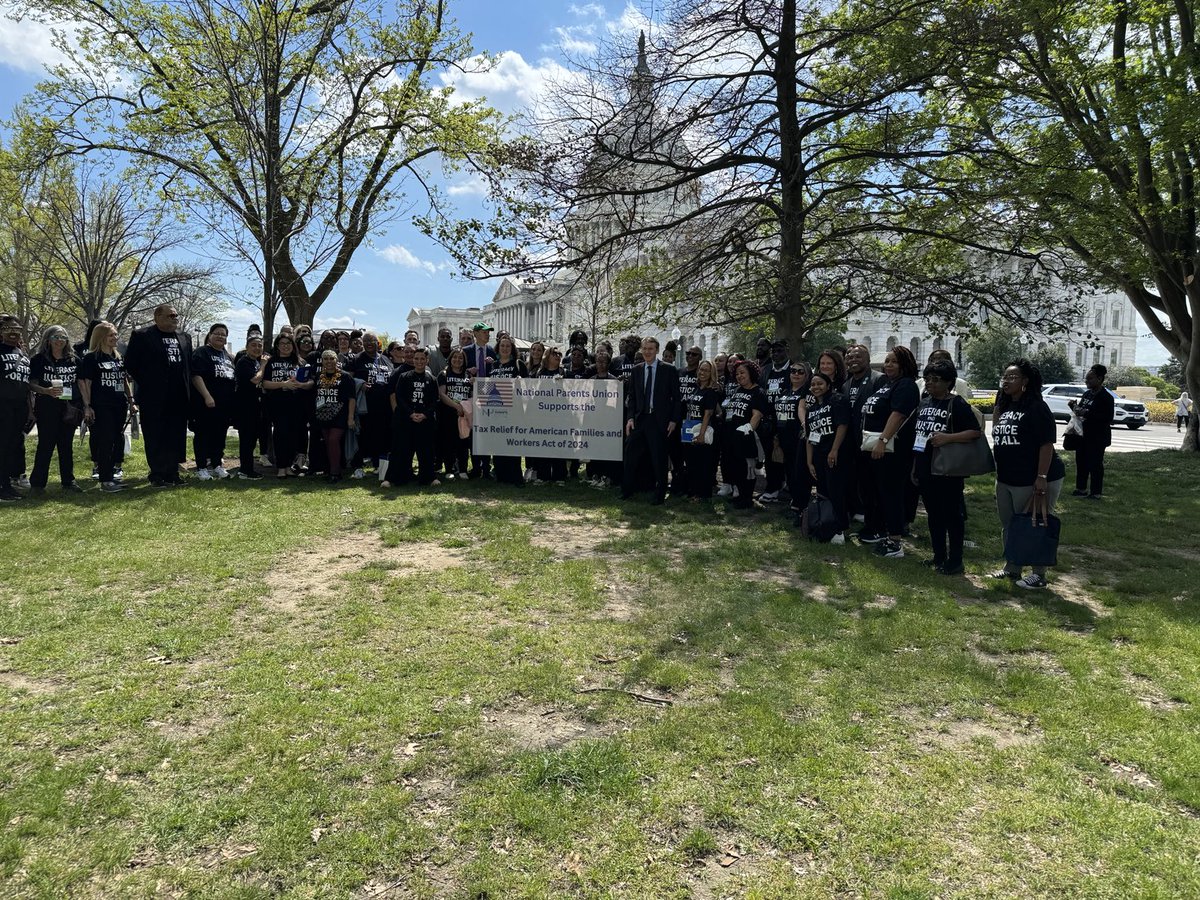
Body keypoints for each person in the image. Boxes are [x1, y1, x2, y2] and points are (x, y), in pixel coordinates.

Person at [992, 358, 1066, 589]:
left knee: (1034, 524)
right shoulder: (1006, 405)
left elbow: (1046, 444)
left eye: (1012, 377)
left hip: (1034, 476)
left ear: (1026, 381)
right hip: (1006, 477)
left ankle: (1038, 574)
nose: (1007, 381)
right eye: (1005, 377)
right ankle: (1012, 567)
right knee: (1010, 524)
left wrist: (1041, 477)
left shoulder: (1036, 407)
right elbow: (997, 433)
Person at [913, 359, 981, 574]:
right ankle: (938, 555)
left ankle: (955, 560)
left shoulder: (957, 404)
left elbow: (975, 432)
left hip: (948, 469)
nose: (930, 384)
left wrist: (948, 438)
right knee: (933, 514)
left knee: (952, 514)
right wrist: (915, 467)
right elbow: (919, 436)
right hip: (925, 466)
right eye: (927, 379)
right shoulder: (924, 403)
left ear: (949, 382)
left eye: (935, 380)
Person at [859, 346, 920, 558]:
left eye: (894, 361)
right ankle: (882, 532)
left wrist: (883, 440)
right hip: (875, 448)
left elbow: (898, 415)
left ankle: (895, 541)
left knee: (892, 494)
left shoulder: (906, 386)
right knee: (878, 493)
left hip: (892, 450)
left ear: (905, 364)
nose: (888, 365)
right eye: (887, 361)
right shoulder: (888, 384)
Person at [123, 304, 193, 486]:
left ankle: (172, 473)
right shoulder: (142, 336)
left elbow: (188, 366)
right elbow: (130, 363)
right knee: (155, 435)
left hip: (178, 396)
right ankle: (157, 474)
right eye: (171, 315)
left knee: (175, 435)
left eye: (176, 315)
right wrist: (148, 382)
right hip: (153, 396)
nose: (175, 318)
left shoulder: (184, 338)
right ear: (157, 317)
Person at [621, 337, 681, 505]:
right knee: (630, 454)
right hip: (640, 419)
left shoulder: (668, 370)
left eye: (651, 349)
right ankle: (627, 490)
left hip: (659, 420)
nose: (647, 352)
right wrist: (630, 418)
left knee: (659, 458)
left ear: (656, 350)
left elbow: (677, 399)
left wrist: (674, 420)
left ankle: (660, 494)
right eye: (645, 349)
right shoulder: (637, 369)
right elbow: (632, 397)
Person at [77, 321, 133, 493]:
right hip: (101, 405)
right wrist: (87, 406)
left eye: (116, 334)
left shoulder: (118, 357)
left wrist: (131, 400)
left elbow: (124, 380)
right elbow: (84, 382)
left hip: (119, 404)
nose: (115, 338)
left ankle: (113, 475)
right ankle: (105, 479)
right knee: (105, 441)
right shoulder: (91, 358)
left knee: (117, 439)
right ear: (101, 337)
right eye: (111, 335)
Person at [28, 325, 83, 494]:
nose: (59, 340)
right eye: (55, 337)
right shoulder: (39, 359)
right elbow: (31, 384)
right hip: (47, 407)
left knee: (66, 445)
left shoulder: (74, 359)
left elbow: (81, 383)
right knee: (46, 444)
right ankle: (38, 484)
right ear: (48, 340)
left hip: (69, 407)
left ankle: (68, 481)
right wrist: (46, 391)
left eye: (63, 337)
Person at [805, 371, 851, 542]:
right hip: (818, 456)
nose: (816, 387)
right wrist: (809, 462)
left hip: (835, 454)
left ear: (828, 385)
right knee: (823, 491)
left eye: (820, 383)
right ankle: (826, 524)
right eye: (813, 384)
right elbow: (809, 438)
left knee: (836, 490)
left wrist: (834, 449)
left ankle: (839, 528)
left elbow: (842, 425)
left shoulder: (837, 400)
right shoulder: (811, 410)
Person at [384, 347, 440, 487]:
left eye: (422, 359)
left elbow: (435, 400)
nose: (419, 361)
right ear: (412, 360)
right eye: (416, 359)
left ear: (427, 360)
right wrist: (410, 413)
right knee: (400, 450)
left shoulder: (432, 379)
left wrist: (425, 414)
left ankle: (429, 478)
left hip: (425, 420)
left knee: (426, 451)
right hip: (406, 420)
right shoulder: (404, 377)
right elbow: (400, 398)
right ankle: (391, 479)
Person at [190, 323, 236, 480]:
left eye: (223, 334)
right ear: (209, 335)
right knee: (203, 435)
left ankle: (217, 465)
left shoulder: (229, 357)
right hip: (205, 403)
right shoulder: (201, 353)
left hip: (225, 405)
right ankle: (201, 467)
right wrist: (207, 396)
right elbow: (196, 376)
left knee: (219, 435)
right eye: (217, 333)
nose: (220, 336)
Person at [842, 344, 882, 528]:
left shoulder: (878, 380)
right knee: (852, 479)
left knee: (870, 483)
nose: (853, 360)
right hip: (850, 441)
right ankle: (857, 510)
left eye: (858, 357)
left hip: (871, 441)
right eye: (850, 357)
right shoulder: (845, 385)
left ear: (868, 359)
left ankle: (873, 520)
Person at [261, 333, 310, 478]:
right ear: (277, 346)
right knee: (280, 434)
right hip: (277, 404)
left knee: (293, 435)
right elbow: (265, 383)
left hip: (296, 404)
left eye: (288, 343)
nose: (286, 346)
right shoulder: (271, 361)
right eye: (282, 343)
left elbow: (309, 382)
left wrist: (301, 384)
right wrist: (284, 384)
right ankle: (281, 467)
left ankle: (288, 466)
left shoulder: (300, 362)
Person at [722, 359, 768, 509]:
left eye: (742, 373)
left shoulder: (758, 392)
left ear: (751, 374)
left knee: (747, 469)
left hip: (746, 437)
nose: (739, 376)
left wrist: (748, 428)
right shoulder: (737, 390)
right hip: (731, 435)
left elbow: (757, 415)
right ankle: (740, 495)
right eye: (737, 374)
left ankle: (747, 499)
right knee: (735, 467)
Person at [348, 332, 393, 478]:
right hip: (364, 405)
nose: (369, 343)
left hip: (383, 405)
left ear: (378, 343)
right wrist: (359, 384)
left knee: (381, 435)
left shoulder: (385, 359)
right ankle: (358, 466)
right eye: (366, 341)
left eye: (372, 341)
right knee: (362, 435)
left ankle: (377, 465)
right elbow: (348, 379)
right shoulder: (356, 359)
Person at [1070, 364, 1115, 500]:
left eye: (1090, 379)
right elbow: (1080, 411)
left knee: (1095, 464)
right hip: (1083, 434)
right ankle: (1081, 488)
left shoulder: (1106, 397)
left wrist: (1088, 413)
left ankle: (1095, 492)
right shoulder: (1087, 394)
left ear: (1100, 379)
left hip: (1097, 437)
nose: (1087, 381)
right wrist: (1074, 407)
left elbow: (1108, 418)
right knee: (1081, 462)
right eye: (1086, 379)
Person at [488, 335, 528, 485]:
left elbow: (528, 386)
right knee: (498, 443)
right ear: (498, 348)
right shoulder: (493, 366)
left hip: (514, 411)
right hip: (496, 411)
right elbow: (487, 386)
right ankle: (500, 475)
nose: (505, 348)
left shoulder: (518, 364)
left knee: (512, 444)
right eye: (502, 346)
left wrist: (520, 382)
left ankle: (515, 476)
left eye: (508, 346)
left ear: (512, 349)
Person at [0, 316, 32, 502]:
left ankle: (8, 485)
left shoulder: (22, 354)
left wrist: (30, 408)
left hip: (19, 406)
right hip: (3, 405)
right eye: (8, 328)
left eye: (16, 329)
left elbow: (26, 384)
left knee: (12, 446)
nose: (13, 332)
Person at [313, 350, 357, 482]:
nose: (329, 361)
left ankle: (335, 472)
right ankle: (330, 468)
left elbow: (352, 398)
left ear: (336, 361)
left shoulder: (345, 377)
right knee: (328, 442)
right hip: (323, 415)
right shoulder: (318, 376)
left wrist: (350, 418)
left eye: (331, 359)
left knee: (333, 440)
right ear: (322, 361)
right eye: (326, 359)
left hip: (340, 415)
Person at [681, 359, 721, 499]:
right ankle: (693, 491)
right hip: (691, 430)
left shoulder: (711, 392)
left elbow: (708, 414)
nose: (702, 373)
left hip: (703, 431)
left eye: (706, 370)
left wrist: (702, 434)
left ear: (712, 373)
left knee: (702, 465)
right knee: (692, 463)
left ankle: (702, 494)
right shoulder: (697, 388)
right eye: (701, 370)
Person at [233, 334, 269, 479]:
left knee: (252, 440)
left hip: (256, 406)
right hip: (245, 407)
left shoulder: (255, 362)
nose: (257, 348)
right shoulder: (244, 362)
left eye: (260, 346)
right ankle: (245, 470)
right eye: (253, 345)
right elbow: (255, 380)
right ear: (247, 347)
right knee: (247, 440)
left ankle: (248, 468)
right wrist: (263, 365)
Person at [437, 348, 472, 480]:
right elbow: (442, 394)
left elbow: (472, 394)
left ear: (464, 361)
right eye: (455, 357)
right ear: (450, 359)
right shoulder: (444, 374)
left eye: (460, 358)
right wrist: (456, 406)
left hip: (464, 414)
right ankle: (449, 469)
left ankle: (463, 469)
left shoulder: (468, 375)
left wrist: (464, 407)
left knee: (463, 442)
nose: (457, 360)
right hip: (448, 413)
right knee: (448, 442)